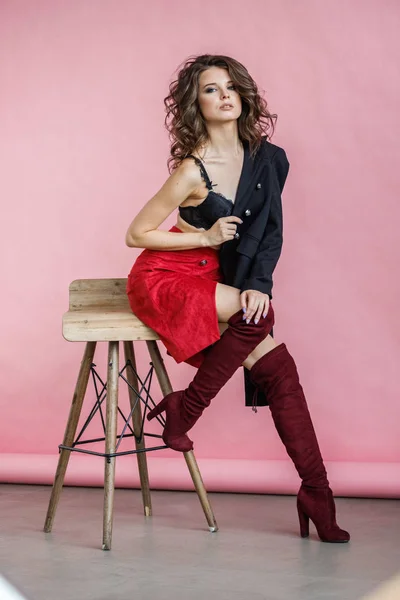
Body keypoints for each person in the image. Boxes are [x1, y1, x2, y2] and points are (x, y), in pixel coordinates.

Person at [125, 54, 350, 543]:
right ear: (196, 104)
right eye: (211, 89)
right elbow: (136, 234)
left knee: (279, 371)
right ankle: (186, 411)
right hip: (168, 276)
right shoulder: (191, 171)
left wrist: (258, 283)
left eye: (231, 86)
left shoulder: (270, 159)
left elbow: (270, 232)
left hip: (217, 277)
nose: (224, 94)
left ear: (243, 95)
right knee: (260, 321)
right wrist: (202, 239)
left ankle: (316, 491)